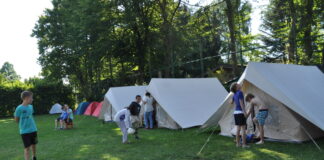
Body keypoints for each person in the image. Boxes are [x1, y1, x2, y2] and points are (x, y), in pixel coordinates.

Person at [14, 91, 38, 160]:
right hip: (24, 131)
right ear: (26, 98)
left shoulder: (31, 107)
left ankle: (34, 156)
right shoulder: (19, 108)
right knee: (27, 148)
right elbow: (16, 119)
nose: (32, 99)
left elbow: (31, 115)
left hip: (33, 129)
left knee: (34, 145)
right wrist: (23, 125)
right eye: (31, 98)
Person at [230, 82, 249, 148]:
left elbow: (231, 103)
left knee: (238, 129)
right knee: (243, 129)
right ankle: (244, 144)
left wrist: (233, 100)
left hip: (236, 112)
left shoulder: (234, 94)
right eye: (237, 84)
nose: (239, 84)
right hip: (240, 112)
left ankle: (238, 144)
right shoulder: (240, 92)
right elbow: (241, 103)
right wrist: (244, 112)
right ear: (236, 87)